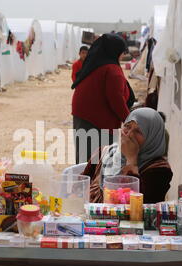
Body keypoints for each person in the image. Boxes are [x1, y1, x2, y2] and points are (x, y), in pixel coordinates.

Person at [82, 108, 173, 204]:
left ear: (152, 138)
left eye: (138, 131)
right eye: (127, 126)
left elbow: (140, 205)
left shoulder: (159, 170)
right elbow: (81, 184)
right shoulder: (104, 152)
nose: (129, 134)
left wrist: (131, 159)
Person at [72, 33, 136, 164]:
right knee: (96, 161)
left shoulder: (95, 65)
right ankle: (90, 184)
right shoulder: (112, 70)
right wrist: (129, 121)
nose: (123, 55)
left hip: (83, 117)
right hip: (98, 121)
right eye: (122, 52)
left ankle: (84, 183)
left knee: (85, 158)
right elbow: (116, 99)